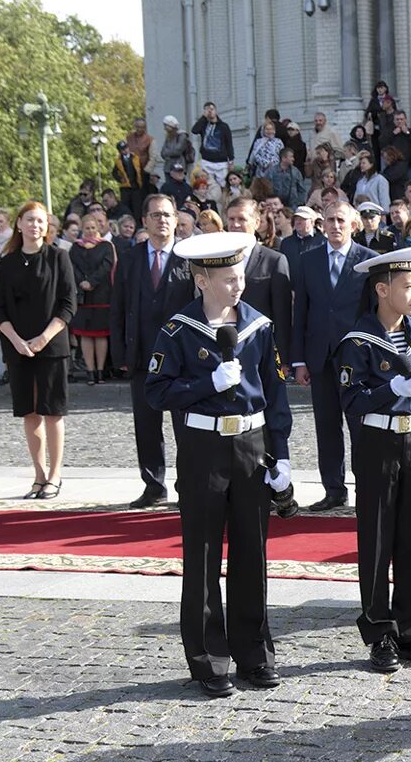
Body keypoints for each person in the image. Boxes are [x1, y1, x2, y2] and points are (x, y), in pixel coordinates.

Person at [144, 231, 292, 698]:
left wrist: (281, 454)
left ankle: (254, 654)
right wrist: (205, 383)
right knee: (204, 556)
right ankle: (208, 660)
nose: (239, 286)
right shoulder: (177, 330)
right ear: (202, 279)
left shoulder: (258, 326)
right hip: (203, 449)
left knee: (253, 554)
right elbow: (157, 391)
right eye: (228, 279)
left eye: (241, 276)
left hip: (249, 446)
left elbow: (276, 394)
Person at [335, 246, 411, 673]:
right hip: (378, 444)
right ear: (382, 289)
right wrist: (390, 392)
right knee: (378, 541)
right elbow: (351, 399)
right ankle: (379, 632)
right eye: (408, 286)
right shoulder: (357, 341)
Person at [291, 202, 380, 510]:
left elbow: (374, 315)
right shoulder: (308, 260)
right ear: (321, 224)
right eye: (329, 220)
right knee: (326, 426)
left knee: (361, 427)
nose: (335, 225)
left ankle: (367, 488)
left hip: (356, 361)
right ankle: (333, 489)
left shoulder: (369, 261)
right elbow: (300, 311)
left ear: (354, 224)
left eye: (341, 220)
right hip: (319, 358)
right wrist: (299, 360)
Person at [111, 194, 198, 507]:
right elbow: (118, 306)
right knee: (146, 425)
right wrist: (119, 353)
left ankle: (188, 484)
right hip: (142, 355)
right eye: (155, 215)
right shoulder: (131, 258)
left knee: (185, 426)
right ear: (144, 221)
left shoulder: (190, 256)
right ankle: (153, 484)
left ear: (176, 220)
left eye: (167, 215)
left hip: (182, 358)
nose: (162, 220)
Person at [0, 201, 76, 500]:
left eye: (40, 221)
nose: (35, 226)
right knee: (29, 412)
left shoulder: (58, 257)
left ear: (47, 226)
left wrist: (43, 338)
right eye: (29, 220)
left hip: (51, 345)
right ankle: (39, 475)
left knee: (53, 412)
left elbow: (68, 304)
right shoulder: (9, 261)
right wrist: (16, 340)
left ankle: (55, 476)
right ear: (19, 224)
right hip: (18, 348)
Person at [224, 198, 293, 360]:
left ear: (256, 222)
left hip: (261, 350)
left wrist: (281, 357)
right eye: (231, 219)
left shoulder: (274, 260)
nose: (235, 224)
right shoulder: (217, 259)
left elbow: (282, 315)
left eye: (242, 219)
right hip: (223, 348)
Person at [69, 213, 117, 385]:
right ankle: (90, 371)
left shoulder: (106, 246)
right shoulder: (76, 247)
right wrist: (82, 282)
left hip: (102, 294)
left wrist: (92, 282)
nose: (90, 231)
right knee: (86, 335)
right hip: (83, 297)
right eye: (87, 228)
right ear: (82, 229)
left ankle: (100, 371)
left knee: (100, 335)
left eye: (93, 228)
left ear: (99, 229)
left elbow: (107, 265)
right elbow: (72, 266)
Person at [191, 102, 235, 190]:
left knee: (223, 185)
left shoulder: (224, 126)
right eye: (207, 110)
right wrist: (203, 117)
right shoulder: (203, 125)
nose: (210, 111)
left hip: (221, 162)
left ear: (216, 111)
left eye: (212, 109)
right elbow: (194, 130)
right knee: (207, 184)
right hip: (207, 161)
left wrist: (231, 160)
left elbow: (229, 143)